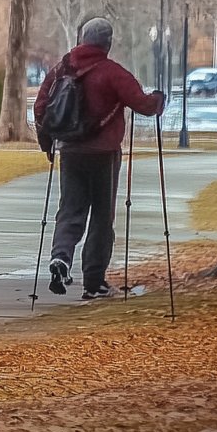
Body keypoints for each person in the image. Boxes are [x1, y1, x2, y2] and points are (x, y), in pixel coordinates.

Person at [33, 16, 165, 300]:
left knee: (70, 210)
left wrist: (48, 143)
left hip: (69, 151)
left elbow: (41, 105)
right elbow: (142, 104)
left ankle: (61, 258)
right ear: (108, 42)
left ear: (82, 39)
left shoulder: (61, 69)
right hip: (104, 154)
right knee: (102, 218)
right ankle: (94, 282)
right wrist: (157, 100)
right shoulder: (112, 72)